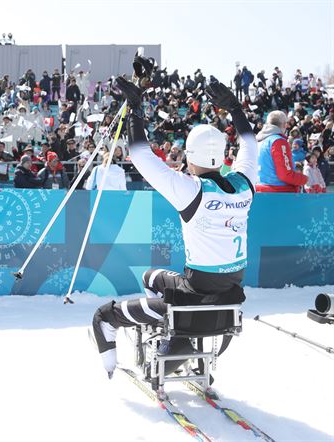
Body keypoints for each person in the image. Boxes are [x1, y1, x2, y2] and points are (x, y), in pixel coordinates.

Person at [92, 73, 257, 378]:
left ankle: (167, 339)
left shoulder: (191, 189)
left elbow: (141, 156)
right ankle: (177, 341)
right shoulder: (244, 184)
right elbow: (250, 146)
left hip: (195, 290)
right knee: (151, 276)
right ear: (222, 157)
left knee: (103, 315)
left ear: (190, 156)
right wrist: (235, 109)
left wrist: (136, 108)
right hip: (230, 287)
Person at [256, 111, 307, 192]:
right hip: (279, 194)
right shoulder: (278, 141)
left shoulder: (258, 141)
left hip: (259, 189)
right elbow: (285, 175)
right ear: (284, 124)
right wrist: (304, 179)